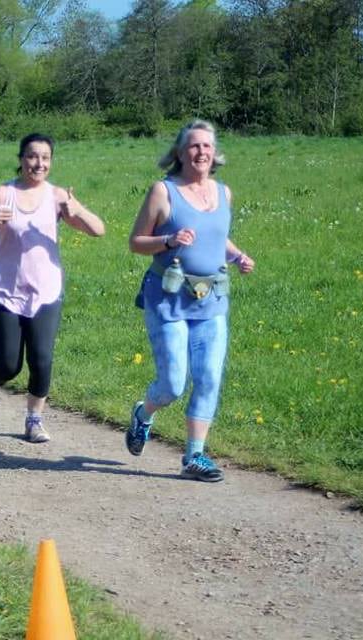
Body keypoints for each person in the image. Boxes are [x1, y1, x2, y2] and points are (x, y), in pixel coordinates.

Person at [126, 119, 255, 482]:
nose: (201, 152)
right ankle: (143, 414)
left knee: (209, 377)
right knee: (172, 384)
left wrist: (237, 256)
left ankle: (194, 456)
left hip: (211, 298)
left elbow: (216, 236)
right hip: (168, 299)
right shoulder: (163, 192)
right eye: (194, 146)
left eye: (207, 146)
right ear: (181, 153)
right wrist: (168, 241)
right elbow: (136, 242)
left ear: (215, 153)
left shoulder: (223, 193)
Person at [0, 133, 105, 443]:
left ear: (51, 162)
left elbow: (98, 230)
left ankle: (34, 420)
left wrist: (76, 209)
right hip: (4, 291)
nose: (38, 163)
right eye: (32, 156)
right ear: (21, 159)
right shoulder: (4, 193)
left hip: (45, 290)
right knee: (9, 362)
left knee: (41, 359)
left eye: (45, 158)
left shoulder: (57, 197)